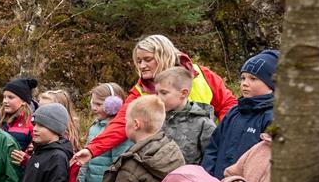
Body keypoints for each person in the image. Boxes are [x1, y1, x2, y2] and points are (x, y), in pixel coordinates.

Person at [72, 34, 236, 167]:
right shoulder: (140, 92)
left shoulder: (202, 76)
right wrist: (92, 149)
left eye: (147, 59)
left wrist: (223, 138)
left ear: (164, 55)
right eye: (138, 61)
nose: (142, 65)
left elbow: (229, 106)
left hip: (204, 166)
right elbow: (121, 123)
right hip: (161, 167)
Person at [202, 49, 278, 179]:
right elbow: (213, 147)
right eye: (243, 78)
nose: (245, 83)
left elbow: (267, 162)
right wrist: (207, 178)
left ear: (272, 84)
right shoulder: (234, 112)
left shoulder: (272, 117)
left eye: (253, 79)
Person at [0, 77, 37, 159]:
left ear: (23, 101)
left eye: (10, 97)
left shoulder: (30, 125)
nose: (5, 101)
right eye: (4, 97)